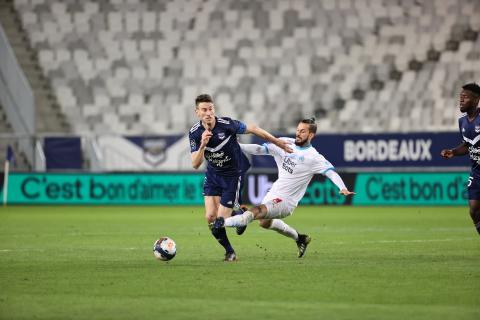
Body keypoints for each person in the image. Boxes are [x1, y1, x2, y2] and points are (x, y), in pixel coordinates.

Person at [213, 117, 355, 258]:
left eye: (303, 131)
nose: (298, 133)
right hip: (274, 193)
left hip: (287, 202)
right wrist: (239, 146)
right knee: (264, 223)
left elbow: (330, 172)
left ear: (311, 135)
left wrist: (342, 187)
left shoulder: (314, 157)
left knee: (254, 212)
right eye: (298, 130)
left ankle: (223, 222)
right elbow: (260, 149)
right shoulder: (286, 142)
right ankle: (300, 238)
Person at [189, 94, 293, 261]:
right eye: (204, 110)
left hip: (232, 175)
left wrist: (277, 142)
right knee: (210, 217)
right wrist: (202, 145)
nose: (208, 113)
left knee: (222, 220)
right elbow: (195, 164)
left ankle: (239, 212)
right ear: (197, 112)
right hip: (213, 174)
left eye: (211, 109)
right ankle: (230, 251)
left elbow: (253, 128)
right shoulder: (195, 133)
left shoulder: (227, 124)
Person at [441, 82, 480, 236]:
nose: (461, 100)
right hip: (477, 172)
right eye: (460, 97)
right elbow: (468, 144)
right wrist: (453, 152)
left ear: (476, 100)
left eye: (465, 97)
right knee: (474, 211)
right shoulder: (462, 122)